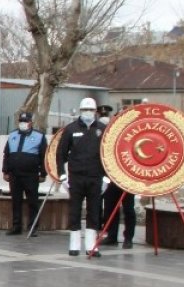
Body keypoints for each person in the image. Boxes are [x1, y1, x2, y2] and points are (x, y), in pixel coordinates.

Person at [55, 97, 105, 257]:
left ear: (95, 112)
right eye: (85, 110)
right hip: (76, 178)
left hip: (96, 177)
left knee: (94, 211)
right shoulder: (70, 129)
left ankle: (92, 246)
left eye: (90, 110)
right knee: (75, 211)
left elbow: (109, 155)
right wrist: (62, 176)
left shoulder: (103, 129)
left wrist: (107, 178)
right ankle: (74, 245)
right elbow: (60, 154)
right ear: (80, 111)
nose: (88, 113)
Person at [1, 111, 47, 236]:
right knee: (16, 201)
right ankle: (16, 226)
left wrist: (43, 173)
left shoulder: (39, 136)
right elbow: (7, 154)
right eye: (21, 121)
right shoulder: (12, 135)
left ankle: (33, 227)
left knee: (32, 201)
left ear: (31, 122)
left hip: (31, 174)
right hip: (15, 174)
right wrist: (5, 171)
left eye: (25, 121)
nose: (23, 123)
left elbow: (44, 156)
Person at [97, 105, 135, 248]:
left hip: (128, 178)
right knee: (110, 207)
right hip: (112, 176)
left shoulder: (134, 134)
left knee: (129, 209)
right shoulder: (110, 134)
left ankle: (128, 238)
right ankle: (111, 236)